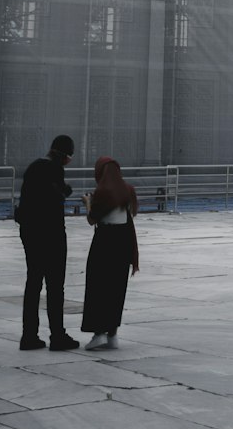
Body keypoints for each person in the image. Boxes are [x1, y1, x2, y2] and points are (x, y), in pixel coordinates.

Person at [15, 134, 80, 351]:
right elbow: (54, 197)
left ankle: (29, 336)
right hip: (50, 235)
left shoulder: (34, 167)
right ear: (65, 155)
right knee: (55, 287)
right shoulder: (54, 169)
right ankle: (58, 336)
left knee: (33, 284)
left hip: (30, 233)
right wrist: (66, 191)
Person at [81, 156, 140, 350]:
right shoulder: (128, 190)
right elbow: (132, 213)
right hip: (123, 241)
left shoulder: (103, 192)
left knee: (98, 287)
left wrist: (88, 203)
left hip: (105, 240)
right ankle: (112, 333)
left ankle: (98, 333)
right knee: (116, 287)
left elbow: (92, 219)